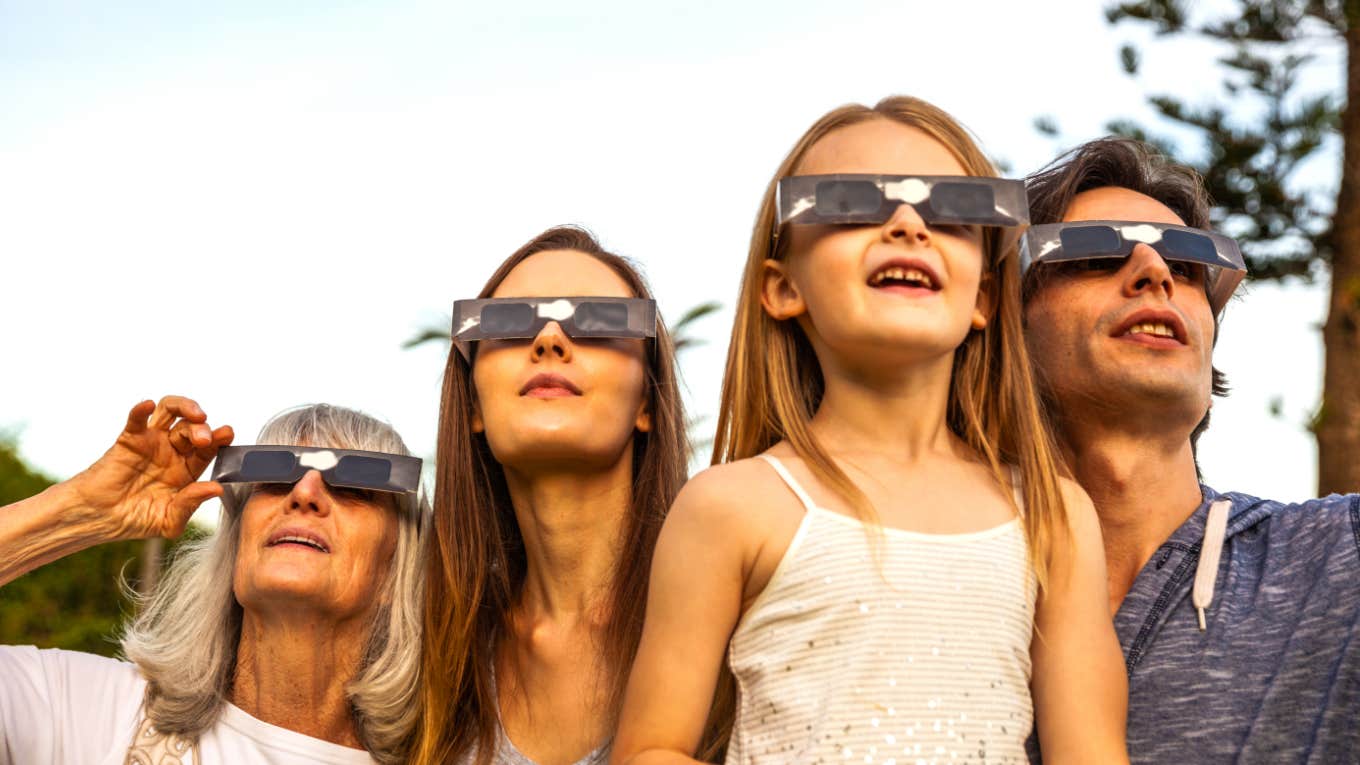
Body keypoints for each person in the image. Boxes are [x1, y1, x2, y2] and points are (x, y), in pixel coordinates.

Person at [611, 96, 1128, 764]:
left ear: (983, 299)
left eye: (952, 212)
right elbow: (652, 748)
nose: (909, 224)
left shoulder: (1055, 516)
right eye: (853, 204)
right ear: (781, 287)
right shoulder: (728, 506)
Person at [1020, 136, 1360, 763]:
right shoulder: (931, 584)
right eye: (1097, 253)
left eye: (1187, 265)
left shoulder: (1345, 552)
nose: (1155, 273)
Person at [0, 398, 426, 765]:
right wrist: (80, 514)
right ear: (235, 547)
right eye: (276, 478)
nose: (305, 492)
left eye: (353, 486)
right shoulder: (76, 711)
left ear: (397, 570)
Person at [412, 226, 690, 765]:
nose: (549, 340)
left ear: (647, 403)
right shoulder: (425, 652)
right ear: (472, 405)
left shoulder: (736, 615)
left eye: (599, 321)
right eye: (509, 323)